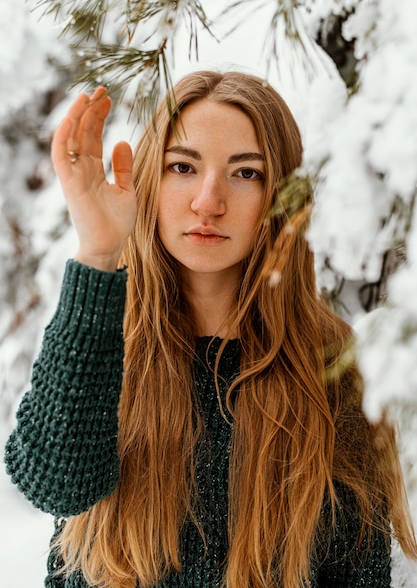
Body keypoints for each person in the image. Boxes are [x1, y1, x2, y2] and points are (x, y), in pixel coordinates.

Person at [4, 70, 417, 588]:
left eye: (246, 174)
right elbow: (54, 485)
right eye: (183, 167)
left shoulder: (329, 365)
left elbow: (361, 572)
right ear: (152, 181)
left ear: (281, 196)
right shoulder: (107, 341)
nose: (207, 200)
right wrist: (98, 253)